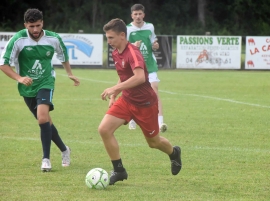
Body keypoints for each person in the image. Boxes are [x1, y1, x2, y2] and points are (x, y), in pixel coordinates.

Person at [99, 18, 182, 185]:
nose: (108, 41)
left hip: (145, 104)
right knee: (104, 129)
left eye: (111, 38)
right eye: (107, 38)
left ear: (122, 35)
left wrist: (114, 89)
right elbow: (124, 77)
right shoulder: (116, 52)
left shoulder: (133, 52)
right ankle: (119, 170)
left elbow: (140, 77)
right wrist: (116, 93)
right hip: (127, 101)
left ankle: (174, 153)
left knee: (154, 142)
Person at [0, 8, 80, 172]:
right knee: (47, 122)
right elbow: (3, 64)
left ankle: (46, 159)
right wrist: (19, 78)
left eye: (37, 25)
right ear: (25, 25)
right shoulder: (18, 39)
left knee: (42, 118)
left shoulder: (53, 38)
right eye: (31, 26)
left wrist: (70, 74)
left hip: (46, 81)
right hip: (27, 86)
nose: (35, 30)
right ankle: (65, 149)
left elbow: (63, 55)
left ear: (42, 23)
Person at [127, 4, 167, 132]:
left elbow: (153, 42)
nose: (138, 16)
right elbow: (124, 47)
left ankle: (160, 122)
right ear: (132, 15)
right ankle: (132, 118)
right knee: (134, 93)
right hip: (134, 66)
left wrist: (155, 45)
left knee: (154, 90)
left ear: (143, 15)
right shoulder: (127, 29)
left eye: (140, 14)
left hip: (149, 64)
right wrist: (133, 46)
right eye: (135, 14)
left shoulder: (150, 26)